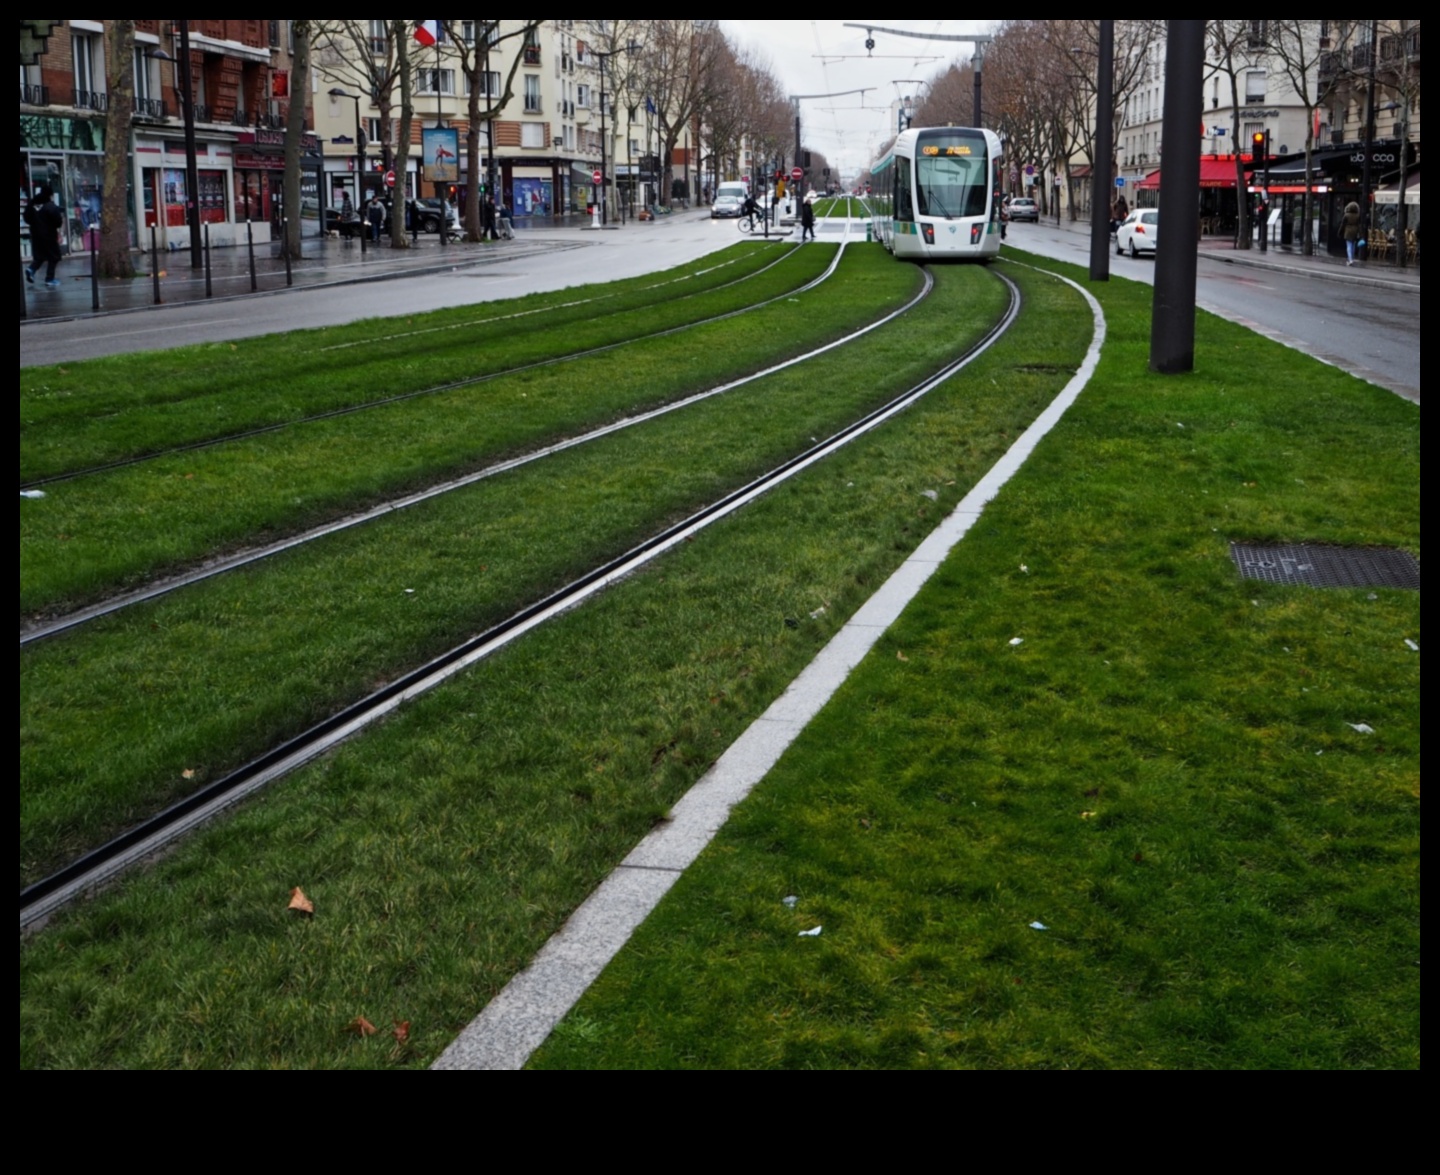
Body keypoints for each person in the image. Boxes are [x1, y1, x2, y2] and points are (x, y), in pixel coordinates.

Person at [24, 184, 65, 288]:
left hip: (35, 234)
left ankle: (31, 269)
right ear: (50, 195)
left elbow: (26, 218)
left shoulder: (32, 205)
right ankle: (49, 279)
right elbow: (58, 222)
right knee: (54, 256)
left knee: (40, 256)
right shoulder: (50, 206)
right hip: (49, 235)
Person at [1342, 199, 1362, 265]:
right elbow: (1359, 225)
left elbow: (1343, 224)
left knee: (1348, 245)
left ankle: (1350, 259)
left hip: (1348, 231)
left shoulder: (1346, 215)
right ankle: (1352, 258)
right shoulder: (1358, 215)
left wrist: (1340, 232)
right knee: (1353, 245)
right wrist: (1360, 232)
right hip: (1355, 231)